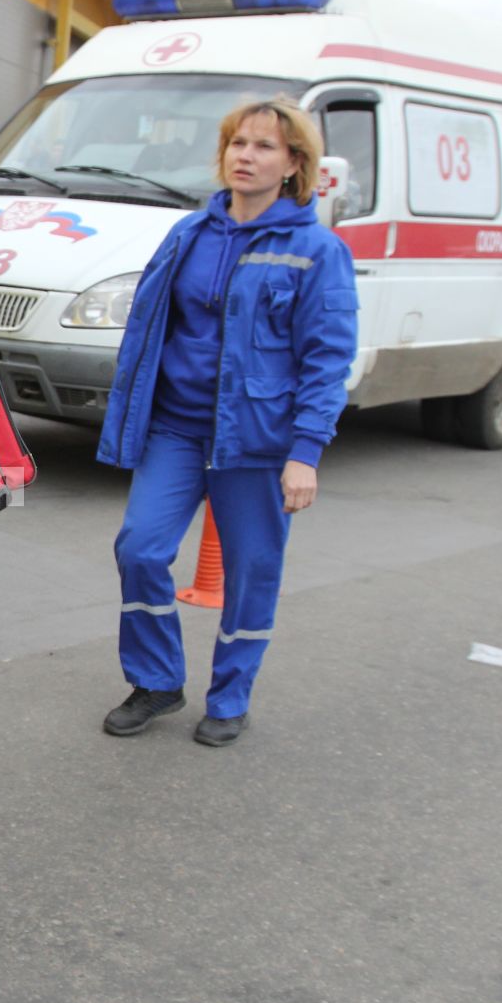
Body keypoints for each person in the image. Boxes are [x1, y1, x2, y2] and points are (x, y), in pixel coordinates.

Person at [96, 98, 359, 747]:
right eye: (238, 143)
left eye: (264, 146)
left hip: (256, 442)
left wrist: (306, 451)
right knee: (140, 548)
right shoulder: (190, 234)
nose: (246, 155)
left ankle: (231, 695)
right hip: (176, 430)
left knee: (251, 570)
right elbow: (149, 328)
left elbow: (328, 358)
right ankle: (156, 680)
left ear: (294, 163)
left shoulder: (316, 250)